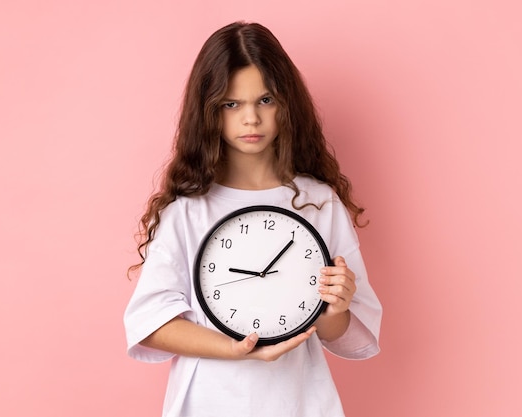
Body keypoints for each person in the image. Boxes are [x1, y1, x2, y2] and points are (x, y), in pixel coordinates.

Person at [124, 21, 382, 417]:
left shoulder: (318, 203)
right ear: (209, 110)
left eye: (265, 100)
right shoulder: (190, 211)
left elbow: (343, 334)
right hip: (208, 401)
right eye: (232, 104)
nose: (251, 119)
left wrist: (335, 307)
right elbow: (150, 322)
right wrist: (234, 349)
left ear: (287, 104)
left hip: (297, 400)